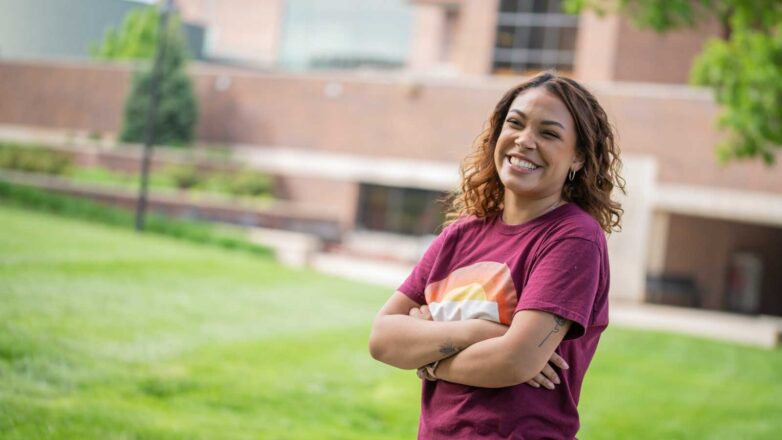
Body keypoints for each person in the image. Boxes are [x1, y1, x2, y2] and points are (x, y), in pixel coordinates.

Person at [368, 70, 625, 439]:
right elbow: (382, 338)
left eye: (549, 133)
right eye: (515, 124)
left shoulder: (573, 238)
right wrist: (483, 331)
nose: (524, 141)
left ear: (578, 159)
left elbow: (515, 360)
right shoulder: (460, 235)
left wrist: (429, 358)